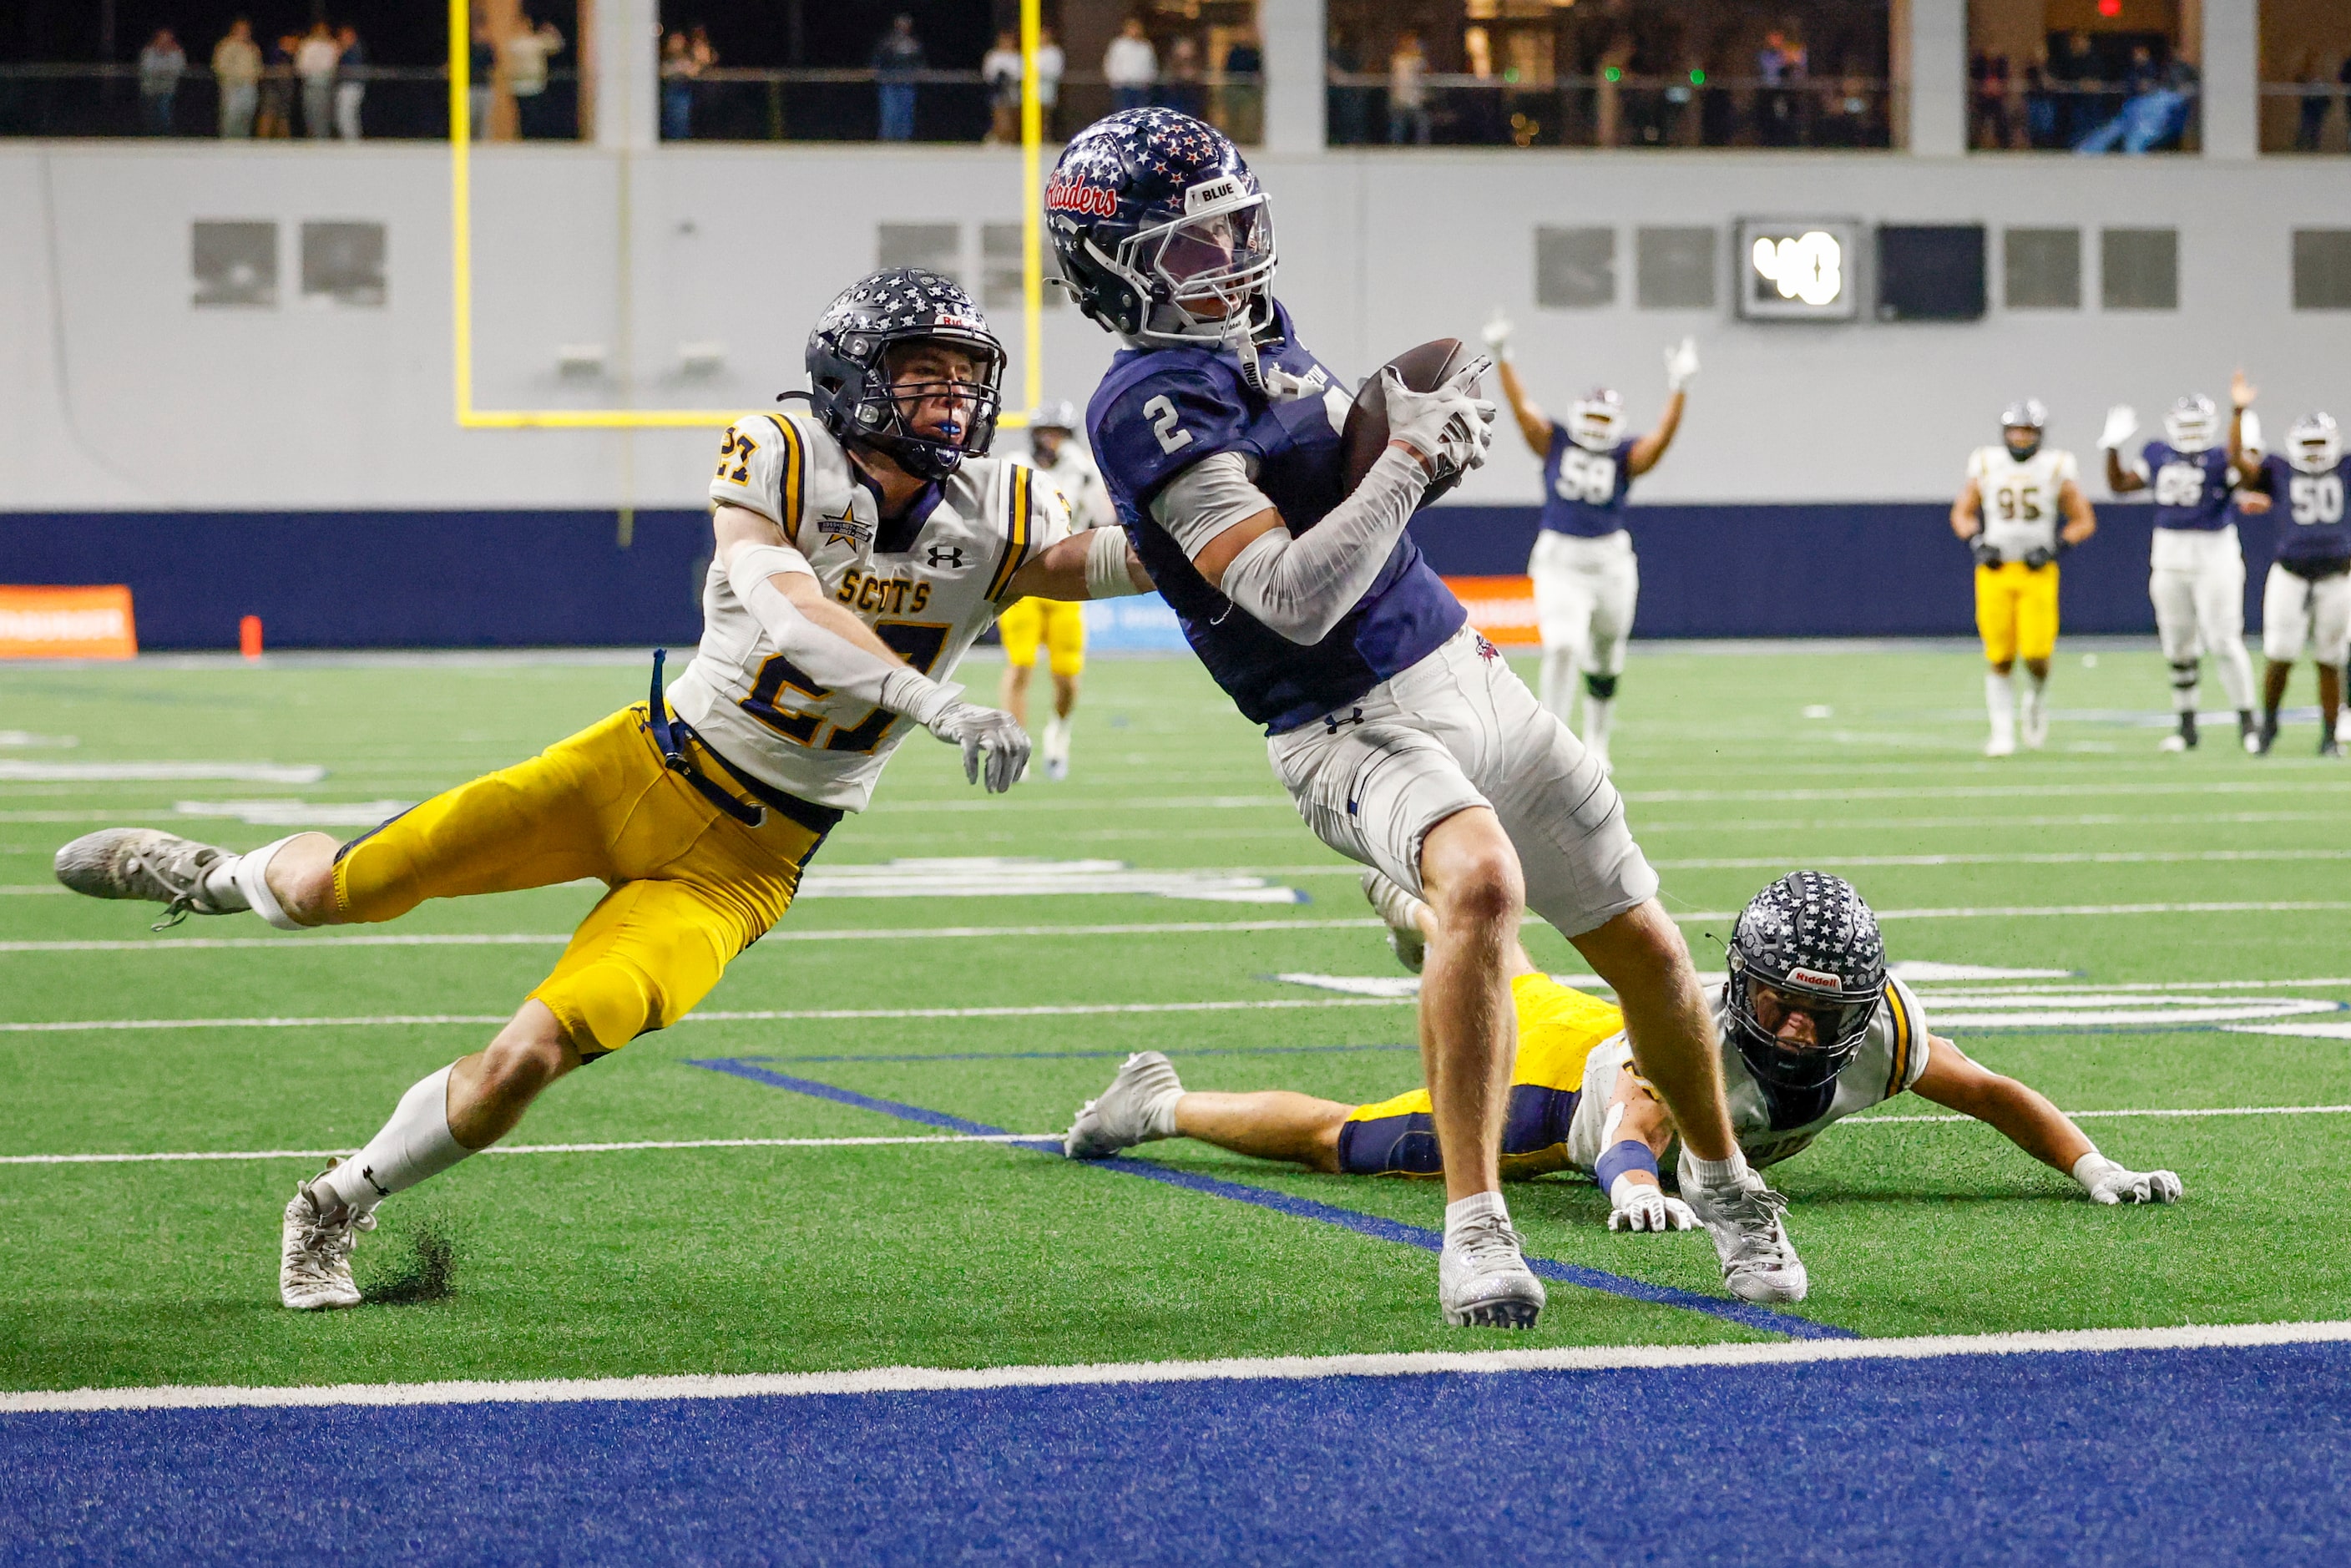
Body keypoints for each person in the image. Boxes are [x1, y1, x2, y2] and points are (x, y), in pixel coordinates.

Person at [53, 268, 1152, 1312]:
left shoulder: (1008, 507)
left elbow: (1139, 562)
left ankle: (334, 1201)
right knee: (341, 890)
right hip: (630, 771)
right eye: (922, 369)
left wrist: (1254, 499)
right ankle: (221, 875)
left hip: (747, 868)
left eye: (964, 373)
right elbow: (789, 614)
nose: (950, 394)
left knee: (527, 1059)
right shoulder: (777, 449)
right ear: (850, 372)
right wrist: (933, 701)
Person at [1051, 109, 1802, 1327]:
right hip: (1341, 719)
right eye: (1196, 247)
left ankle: (1723, 1181)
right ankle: (1476, 1225)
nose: (1234, 261)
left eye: (1240, 227)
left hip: (1459, 662)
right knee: (1484, 883)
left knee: (1654, 950)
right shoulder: (1148, 401)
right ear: (1115, 266)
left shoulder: (1256, 335)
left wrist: (1401, 460)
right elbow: (1290, 598)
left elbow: (1268, 519)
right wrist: (1410, 465)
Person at [1069, 873, 2185, 1222]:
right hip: (1562, 1096)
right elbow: (1637, 1125)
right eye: (1784, 1008)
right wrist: (1638, 1188)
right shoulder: (1694, 1031)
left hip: (1587, 1032)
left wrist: (2097, 1167)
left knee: (1522, 972)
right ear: (1742, 989)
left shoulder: (1875, 1031)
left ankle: (1427, 913)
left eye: (1825, 1013)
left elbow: (1991, 1092)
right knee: (1337, 1140)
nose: (1803, 1032)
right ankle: (1160, 1100)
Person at [1485, 311, 1696, 774]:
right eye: (1593, 416)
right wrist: (1504, 357)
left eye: (1606, 418)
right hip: (1560, 558)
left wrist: (1679, 389)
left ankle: (1597, 742)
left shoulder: (1625, 455)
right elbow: (1522, 408)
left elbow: (1659, 444)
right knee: (1561, 646)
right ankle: (1551, 744)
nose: (1598, 426)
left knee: (1605, 655)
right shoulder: (1554, 440)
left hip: (1611, 562)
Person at [2103, 392, 2260, 752]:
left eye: (2197, 426)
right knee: (2177, 645)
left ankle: (2248, 724)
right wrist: (2111, 448)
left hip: (2214, 557)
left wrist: (2246, 439)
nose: (2190, 433)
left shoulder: (2223, 458)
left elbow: (2249, 479)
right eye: (2185, 425)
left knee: (2224, 641)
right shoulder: (2158, 454)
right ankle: (2187, 727)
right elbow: (2120, 486)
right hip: (2169, 558)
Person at [1949, 400, 2097, 756]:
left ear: (2039, 434)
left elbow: (2083, 520)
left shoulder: (2055, 467)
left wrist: (2056, 547)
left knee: (2035, 654)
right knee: (1999, 656)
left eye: (2027, 431)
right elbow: (1962, 512)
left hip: (2036, 572)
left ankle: (2035, 699)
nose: (2020, 437)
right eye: (2015, 430)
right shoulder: (1986, 463)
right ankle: (2002, 733)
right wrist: (1976, 541)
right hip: (1996, 570)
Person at [2229, 379, 2349, 756]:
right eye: (2308, 443)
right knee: (2280, 655)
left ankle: (2330, 736)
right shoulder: (2278, 470)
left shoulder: (2346, 468)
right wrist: (2237, 414)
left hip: (2337, 575)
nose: (2314, 452)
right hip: (2290, 573)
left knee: (2331, 659)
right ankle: (2268, 727)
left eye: (2319, 443)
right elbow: (2239, 464)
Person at [999, 402, 1117, 781]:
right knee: (1020, 664)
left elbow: (1105, 518)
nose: (1052, 441)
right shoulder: (1015, 464)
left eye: (1060, 434)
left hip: (1068, 583)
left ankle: (1058, 733)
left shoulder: (1081, 470)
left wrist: (1084, 470)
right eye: (1046, 432)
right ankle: (1017, 747)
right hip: (1022, 580)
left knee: (1066, 674)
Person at [505, 14, 566, 139]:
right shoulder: (515, 43)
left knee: (536, 113)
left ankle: (535, 137)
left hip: (535, 85)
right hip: (519, 86)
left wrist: (551, 31)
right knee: (523, 115)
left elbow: (557, 45)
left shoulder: (536, 41)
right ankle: (524, 137)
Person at [872, 14, 923, 143]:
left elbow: (920, 62)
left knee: (906, 113)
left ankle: (904, 139)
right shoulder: (888, 41)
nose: (903, 27)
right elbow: (877, 60)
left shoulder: (913, 44)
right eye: (901, 24)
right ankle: (888, 138)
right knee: (890, 112)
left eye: (906, 25)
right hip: (889, 83)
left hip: (907, 83)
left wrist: (919, 73)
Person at [212, 21, 262, 139]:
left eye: (246, 30)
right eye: (241, 29)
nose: (244, 32)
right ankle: (227, 143)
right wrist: (236, 78)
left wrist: (255, 76)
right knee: (231, 117)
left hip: (250, 87)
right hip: (233, 87)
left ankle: (242, 143)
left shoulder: (252, 47)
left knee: (246, 116)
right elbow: (220, 67)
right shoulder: (226, 46)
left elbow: (258, 66)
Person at [294, 22, 340, 139]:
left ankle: (324, 140)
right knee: (311, 114)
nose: (322, 32)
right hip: (311, 85)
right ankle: (313, 139)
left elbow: (332, 66)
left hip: (326, 85)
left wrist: (319, 68)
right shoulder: (307, 45)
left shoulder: (332, 45)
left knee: (325, 115)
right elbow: (301, 66)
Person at [137, 30, 186, 136]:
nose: (164, 42)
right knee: (150, 114)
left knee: (164, 112)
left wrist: (162, 69)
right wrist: (164, 70)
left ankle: (165, 135)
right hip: (149, 89)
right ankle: (150, 135)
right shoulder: (149, 52)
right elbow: (147, 69)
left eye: (167, 39)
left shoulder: (176, 53)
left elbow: (178, 69)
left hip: (167, 89)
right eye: (162, 39)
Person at [1105, 19, 1158, 115]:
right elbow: (1111, 63)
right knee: (1123, 114)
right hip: (1123, 87)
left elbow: (1151, 65)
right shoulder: (1119, 45)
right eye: (1132, 28)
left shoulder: (1146, 46)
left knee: (1140, 115)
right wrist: (1115, 80)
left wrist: (1149, 79)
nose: (1135, 31)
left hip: (1141, 87)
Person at [1387, 30, 1430, 145]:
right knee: (1403, 123)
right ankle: (1398, 145)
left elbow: (1427, 73)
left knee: (1418, 122)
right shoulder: (1400, 60)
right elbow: (1426, 68)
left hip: (1410, 98)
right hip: (1405, 98)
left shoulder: (1401, 59)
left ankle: (1415, 144)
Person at [983, 29, 1023, 144]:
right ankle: (998, 139)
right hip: (999, 92)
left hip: (1014, 92)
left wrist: (1011, 76)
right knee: (1000, 117)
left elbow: (1021, 73)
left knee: (1014, 119)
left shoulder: (1018, 57)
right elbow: (988, 74)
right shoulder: (993, 56)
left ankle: (1011, 141)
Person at [256, 34, 298, 139]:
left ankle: (283, 145)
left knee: (283, 117)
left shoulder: (292, 56)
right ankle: (262, 143)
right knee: (268, 115)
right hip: (272, 88)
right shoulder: (274, 52)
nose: (293, 45)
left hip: (286, 91)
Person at [661, 32, 698, 141]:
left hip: (683, 95)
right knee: (671, 122)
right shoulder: (666, 62)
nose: (676, 44)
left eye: (678, 41)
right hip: (671, 95)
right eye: (673, 41)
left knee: (681, 121)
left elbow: (693, 72)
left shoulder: (688, 61)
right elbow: (663, 73)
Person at [333, 25, 366, 140]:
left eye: (346, 35)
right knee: (344, 115)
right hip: (345, 85)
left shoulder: (354, 49)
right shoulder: (350, 49)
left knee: (346, 114)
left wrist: (340, 50)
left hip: (352, 85)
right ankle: (350, 139)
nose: (343, 37)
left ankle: (352, 140)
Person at [1034, 28, 1065, 139]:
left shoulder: (1054, 52)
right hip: (1032, 88)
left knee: (1045, 114)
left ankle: (1045, 137)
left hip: (1047, 87)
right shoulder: (1033, 50)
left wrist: (1040, 73)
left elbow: (1056, 70)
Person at [468, 22, 497, 141]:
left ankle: (484, 145)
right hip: (469, 86)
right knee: (470, 118)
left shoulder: (487, 48)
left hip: (485, 86)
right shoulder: (467, 48)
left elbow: (493, 66)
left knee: (484, 119)